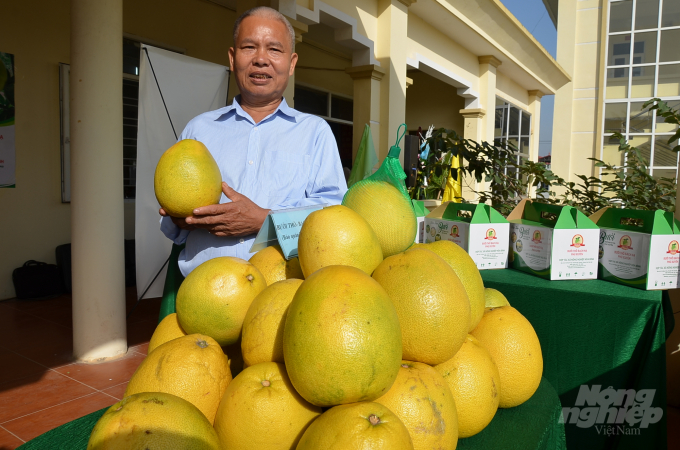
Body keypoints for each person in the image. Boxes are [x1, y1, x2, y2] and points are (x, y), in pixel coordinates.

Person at [160, 6, 347, 277]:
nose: (261, 59)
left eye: (274, 49)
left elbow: (333, 218)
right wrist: (181, 218)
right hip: (204, 295)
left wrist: (263, 220)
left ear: (291, 63)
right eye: (249, 47)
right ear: (232, 58)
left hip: (280, 301)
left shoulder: (315, 132)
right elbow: (172, 222)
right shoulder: (199, 131)